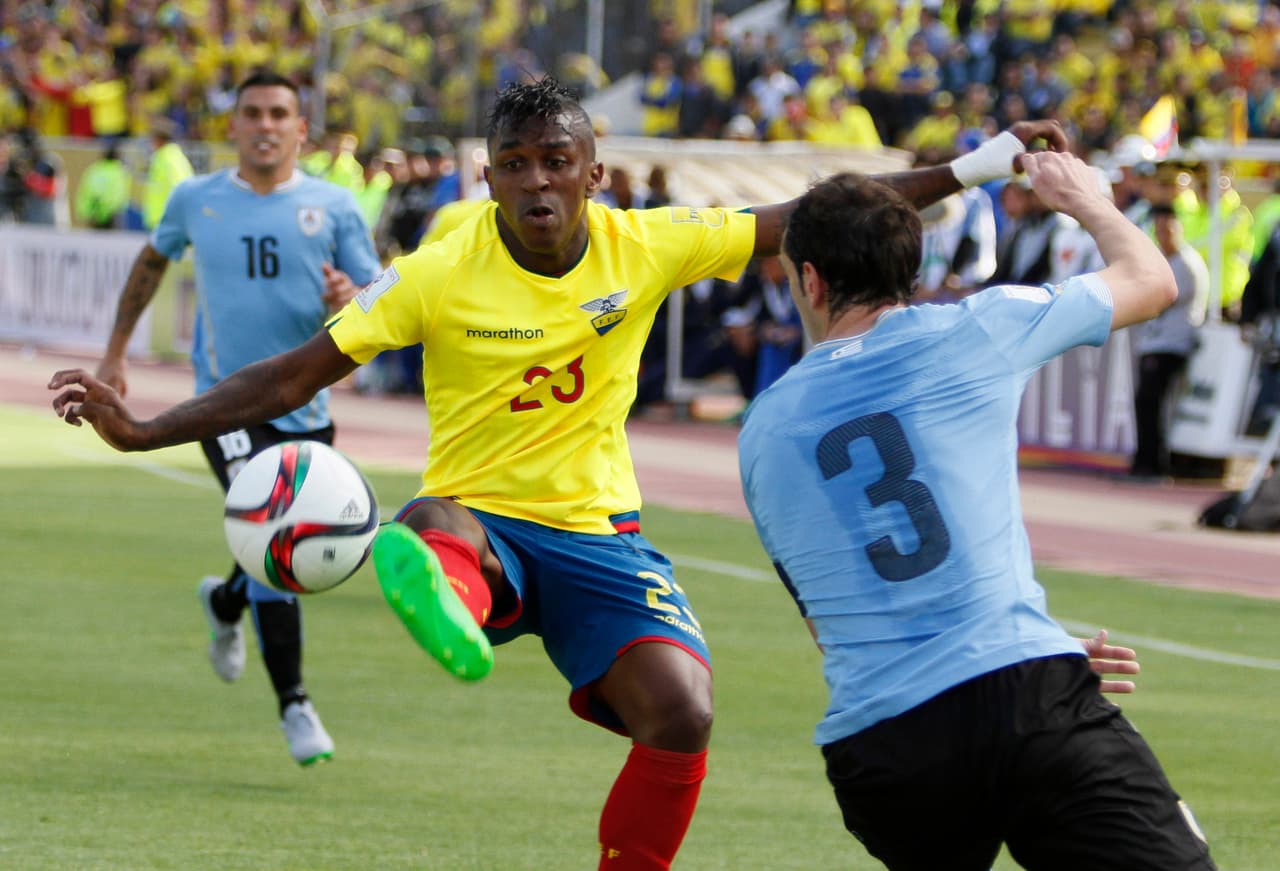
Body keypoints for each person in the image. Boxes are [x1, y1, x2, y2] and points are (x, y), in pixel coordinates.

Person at [50, 77, 1065, 869]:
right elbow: (295, 370)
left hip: (597, 536)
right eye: (515, 164)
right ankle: (437, 584)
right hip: (483, 525)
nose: (535, 180)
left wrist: (981, 165)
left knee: (682, 710)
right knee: (436, 515)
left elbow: (828, 208)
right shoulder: (441, 269)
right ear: (485, 179)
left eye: (555, 161)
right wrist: (145, 429)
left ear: (594, 173)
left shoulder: (646, 246)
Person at [736, 152, 1215, 870]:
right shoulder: (981, 328)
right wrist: (1088, 201)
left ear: (809, 278)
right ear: (911, 269)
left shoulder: (763, 430)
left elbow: (829, 621)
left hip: (884, 744)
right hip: (1024, 695)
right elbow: (1152, 281)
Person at [85, 71, 380, 766]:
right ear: (235, 126)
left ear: (301, 128)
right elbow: (151, 262)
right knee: (280, 532)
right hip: (221, 404)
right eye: (252, 113)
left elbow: (377, 293)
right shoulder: (196, 199)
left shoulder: (334, 205)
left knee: (276, 540)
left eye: (280, 113)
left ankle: (224, 603)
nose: (266, 125)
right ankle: (296, 704)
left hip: (307, 405)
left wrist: (351, 294)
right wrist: (114, 352)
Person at [1130, 204, 1209, 479]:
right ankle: (1145, 460)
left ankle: (1153, 464)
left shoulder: (1186, 264)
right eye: (1159, 229)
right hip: (1155, 342)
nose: (1164, 234)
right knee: (1147, 404)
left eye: (1168, 228)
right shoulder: (1163, 262)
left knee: (1153, 404)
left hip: (1172, 345)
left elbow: (1158, 301)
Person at [141, 117, 193, 230]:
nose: (150, 142)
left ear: (159, 139)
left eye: (152, 138)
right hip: (161, 221)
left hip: (167, 222)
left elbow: (179, 186)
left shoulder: (170, 158)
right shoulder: (163, 157)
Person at [73, 140, 131, 230]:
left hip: (93, 214)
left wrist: (85, 211)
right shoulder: (118, 171)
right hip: (111, 215)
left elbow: (85, 191)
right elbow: (118, 195)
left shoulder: (94, 169)